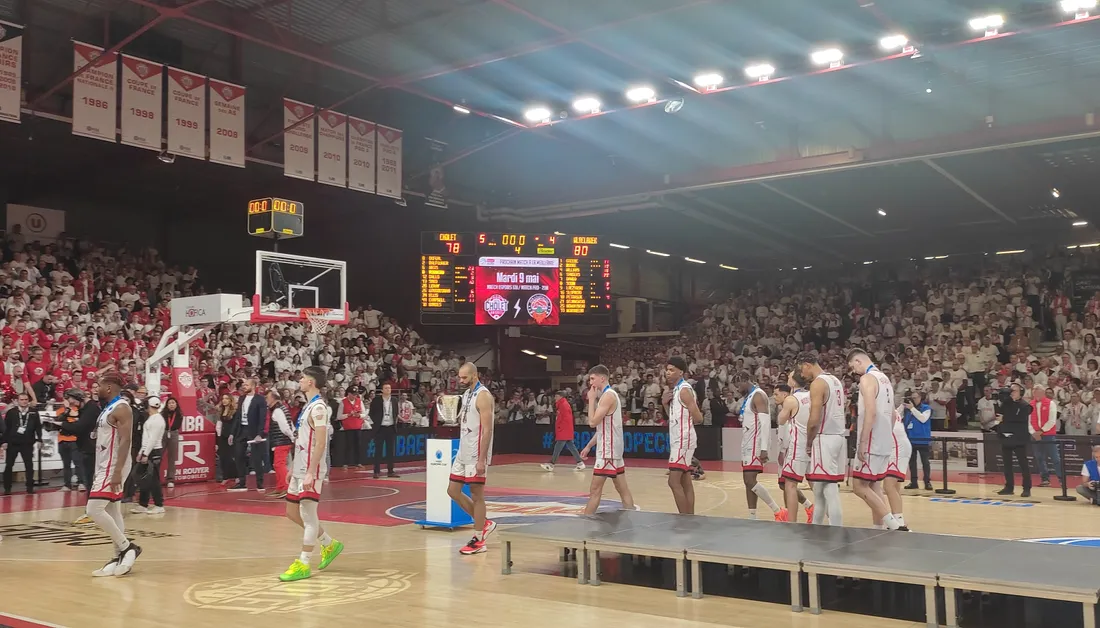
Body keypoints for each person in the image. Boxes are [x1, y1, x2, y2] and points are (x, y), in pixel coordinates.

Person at [279, 365, 343, 582]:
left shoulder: (319, 408)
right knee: (291, 512)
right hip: (300, 467)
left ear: (311, 382)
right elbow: (303, 442)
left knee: (308, 515)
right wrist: (293, 468)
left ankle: (304, 562)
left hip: (311, 470)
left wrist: (310, 472)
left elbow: (321, 442)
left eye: (303, 378)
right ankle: (328, 543)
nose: (300, 381)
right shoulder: (308, 407)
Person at [86, 373, 142, 577]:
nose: (95, 389)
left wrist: (117, 471)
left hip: (113, 465)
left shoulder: (122, 408)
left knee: (93, 509)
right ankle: (117, 555)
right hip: (104, 464)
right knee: (113, 509)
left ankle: (128, 548)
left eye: (98, 385)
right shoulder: (108, 408)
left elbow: (126, 441)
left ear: (109, 388)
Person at [847, 348, 903, 530]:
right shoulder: (885, 379)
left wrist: (863, 442)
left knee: (858, 486)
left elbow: (870, 411)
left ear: (858, 361)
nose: (853, 372)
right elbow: (894, 415)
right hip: (885, 439)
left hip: (872, 440)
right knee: (873, 485)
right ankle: (877, 528)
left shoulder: (867, 379)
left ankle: (894, 525)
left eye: (852, 367)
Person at [446, 362, 497, 555]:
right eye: (459, 377)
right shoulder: (466, 394)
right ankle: (484, 523)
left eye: (464, 377)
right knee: (453, 490)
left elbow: (487, 429)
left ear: (474, 376)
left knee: (477, 495)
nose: (461, 381)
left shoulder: (483, 395)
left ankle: (479, 538)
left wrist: (482, 459)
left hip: (476, 452)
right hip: (463, 449)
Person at [577, 365, 637, 514]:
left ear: (602, 378)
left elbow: (592, 423)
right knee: (622, 488)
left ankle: (586, 521)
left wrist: (591, 400)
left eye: (592, 379)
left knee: (595, 490)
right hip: (613, 448)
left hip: (607, 450)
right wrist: (589, 446)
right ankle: (632, 515)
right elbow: (603, 428)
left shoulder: (608, 396)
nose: (591, 383)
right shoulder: (609, 395)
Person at [800, 353, 846, 526]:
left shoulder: (817, 383)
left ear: (807, 365)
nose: (802, 375)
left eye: (801, 370)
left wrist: (809, 442)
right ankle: (816, 526)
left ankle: (837, 529)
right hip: (838, 437)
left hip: (824, 437)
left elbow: (814, 419)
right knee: (819, 489)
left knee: (830, 488)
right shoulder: (835, 381)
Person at [735, 372, 785, 520]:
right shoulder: (750, 397)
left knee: (750, 480)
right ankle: (752, 516)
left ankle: (777, 510)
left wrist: (764, 448)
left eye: (738, 385)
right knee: (747, 482)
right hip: (748, 443)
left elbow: (765, 423)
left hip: (755, 444)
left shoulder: (758, 395)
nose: (737, 389)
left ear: (745, 380)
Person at [662, 357, 703, 514]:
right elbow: (672, 417)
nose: (668, 372)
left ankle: (684, 517)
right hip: (679, 438)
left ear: (681, 372)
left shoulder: (684, 390)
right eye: (667, 369)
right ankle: (689, 516)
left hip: (683, 439)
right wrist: (665, 404)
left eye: (672, 370)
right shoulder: (676, 391)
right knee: (685, 481)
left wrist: (685, 425)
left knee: (673, 482)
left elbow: (698, 418)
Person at [774, 376, 814, 523]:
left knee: (788, 484)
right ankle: (827, 518)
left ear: (793, 382)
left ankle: (791, 522)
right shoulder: (811, 395)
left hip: (796, 446)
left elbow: (780, 420)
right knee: (817, 486)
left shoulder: (791, 400)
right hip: (812, 445)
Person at [230, 379, 268, 492]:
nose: (244, 387)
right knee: (238, 455)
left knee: (256, 458)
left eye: (246, 385)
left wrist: (259, 434)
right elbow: (237, 417)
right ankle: (242, 483)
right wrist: (232, 433)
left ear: (253, 386)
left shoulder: (260, 399)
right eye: (243, 385)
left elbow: (262, 418)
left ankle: (260, 483)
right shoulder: (242, 398)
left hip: (254, 431)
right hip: (242, 430)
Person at [995, 383, 1032, 497]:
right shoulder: (1006, 403)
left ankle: (1026, 488)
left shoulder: (1024, 405)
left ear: (1021, 392)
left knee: (1023, 464)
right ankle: (1009, 486)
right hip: (1006, 436)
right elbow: (999, 416)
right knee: (1007, 464)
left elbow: (1019, 418)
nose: (1011, 393)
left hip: (1019, 438)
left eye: (1014, 390)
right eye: (1011, 390)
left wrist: (1005, 419)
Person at [2, 392, 42, 495]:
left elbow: (38, 427)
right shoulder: (11, 412)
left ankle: (29, 487)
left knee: (29, 466)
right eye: (22, 400)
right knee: (9, 465)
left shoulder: (33, 412)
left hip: (27, 443)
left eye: (25, 400)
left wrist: (40, 439)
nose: (24, 402)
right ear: (17, 401)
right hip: (13, 443)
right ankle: (7, 488)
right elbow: (6, 428)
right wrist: (4, 441)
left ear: (28, 401)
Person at [132, 397, 165, 515]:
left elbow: (153, 439)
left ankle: (159, 504)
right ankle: (143, 504)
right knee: (144, 479)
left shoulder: (157, 420)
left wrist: (145, 453)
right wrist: (142, 452)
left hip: (154, 451)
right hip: (148, 450)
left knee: (153, 479)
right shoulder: (153, 418)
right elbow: (146, 439)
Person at [541, 390, 585, 472]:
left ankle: (551, 464)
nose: (555, 398)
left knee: (558, 447)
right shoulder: (563, 404)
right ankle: (580, 463)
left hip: (564, 429)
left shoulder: (563, 405)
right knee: (571, 446)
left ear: (561, 397)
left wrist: (561, 428)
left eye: (556, 396)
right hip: (565, 429)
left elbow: (566, 419)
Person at [1029, 385, 1064, 488]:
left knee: (1055, 458)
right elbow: (1028, 421)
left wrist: (1040, 431)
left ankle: (1062, 479)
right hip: (1035, 435)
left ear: (1043, 393)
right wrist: (1033, 433)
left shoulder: (1051, 403)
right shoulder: (1030, 404)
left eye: (1038, 392)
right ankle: (1045, 479)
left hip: (1048, 435)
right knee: (1039, 458)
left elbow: (1052, 421)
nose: (1036, 395)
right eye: (1034, 392)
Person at [882, 408, 912, 531]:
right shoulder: (890, 408)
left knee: (888, 485)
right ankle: (899, 519)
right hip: (899, 446)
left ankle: (899, 523)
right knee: (894, 487)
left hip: (898, 448)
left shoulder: (884, 410)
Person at [57, 390, 89, 491]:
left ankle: (81, 482)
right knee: (66, 464)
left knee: (78, 462)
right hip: (62, 439)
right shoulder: (60, 411)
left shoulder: (78, 410)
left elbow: (76, 422)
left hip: (74, 439)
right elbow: (59, 421)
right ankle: (67, 484)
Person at [902, 391, 934, 490]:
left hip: (923, 439)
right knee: (912, 462)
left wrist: (912, 408)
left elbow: (923, 418)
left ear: (920, 398)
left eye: (915, 397)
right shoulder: (908, 410)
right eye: (912, 397)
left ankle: (927, 482)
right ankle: (913, 481)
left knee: (925, 462)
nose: (914, 399)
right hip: (911, 439)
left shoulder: (926, 408)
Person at [368, 382, 400, 479]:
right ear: (382, 390)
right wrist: (376, 422)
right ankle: (376, 471)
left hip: (390, 427)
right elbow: (371, 413)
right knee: (378, 450)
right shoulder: (376, 400)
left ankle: (390, 471)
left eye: (389, 388)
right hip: (380, 427)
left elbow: (396, 413)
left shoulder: (394, 400)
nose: (388, 390)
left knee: (391, 450)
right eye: (386, 388)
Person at [267, 389, 295, 499]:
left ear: (273, 398)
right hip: (282, 441)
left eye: (267, 397)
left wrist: (292, 437)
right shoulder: (283, 408)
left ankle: (285, 488)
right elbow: (290, 424)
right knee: (278, 464)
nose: (266, 400)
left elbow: (285, 427)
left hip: (281, 441)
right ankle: (280, 487)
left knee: (279, 464)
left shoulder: (278, 410)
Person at [339, 386, 366, 469]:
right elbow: (339, 416)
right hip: (348, 427)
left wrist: (359, 415)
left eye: (355, 394)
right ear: (349, 394)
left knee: (358, 445)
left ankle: (358, 462)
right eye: (353, 394)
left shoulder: (359, 401)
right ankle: (345, 462)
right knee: (348, 445)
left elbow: (364, 414)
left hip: (357, 426)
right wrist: (348, 415)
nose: (354, 396)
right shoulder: (343, 402)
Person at [215, 394, 238, 486]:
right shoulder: (221, 411)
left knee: (232, 457)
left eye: (226, 398)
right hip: (222, 436)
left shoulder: (235, 412)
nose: (224, 400)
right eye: (223, 398)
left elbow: (235, 425)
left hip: (231, 436)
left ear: (230, 400)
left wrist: (232, 434)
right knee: (223, 457)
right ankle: (226, 476)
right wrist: (217, 439)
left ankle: (237, 476)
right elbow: (218, 425)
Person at [161, 396, 182, 488]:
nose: (172, 405)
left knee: (172, 457)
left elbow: (177, 425)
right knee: (158, 456)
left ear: (176, 404)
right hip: (163, 433)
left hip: (173, 433)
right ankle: (155, 478)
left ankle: (170, 479)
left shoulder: (179, 414)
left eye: (173, 403)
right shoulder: (163, 414)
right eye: (170, 403)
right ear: (167, 405)